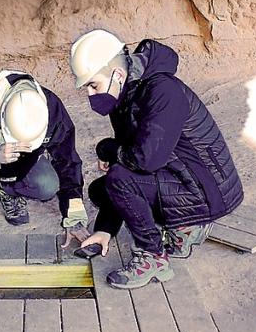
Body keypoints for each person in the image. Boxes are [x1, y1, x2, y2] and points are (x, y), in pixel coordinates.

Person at [70, 29, 243, 289]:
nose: (91, 95)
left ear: (117, 74)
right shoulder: (127, 93)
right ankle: (178, 228)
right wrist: (105, 229)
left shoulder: (163, 91)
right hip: (180, 178)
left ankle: (155, 255)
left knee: (118, 179)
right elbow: (129, 159)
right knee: (102, 188)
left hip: (207, 192)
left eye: (93, 85)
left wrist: (107, 148)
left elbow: (143, 161)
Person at [0, 70, 89, 255]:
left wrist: (74, 215)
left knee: (47, 186)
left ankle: (7, 190)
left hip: (22, 164)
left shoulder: (50, 109)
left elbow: (68, 161)